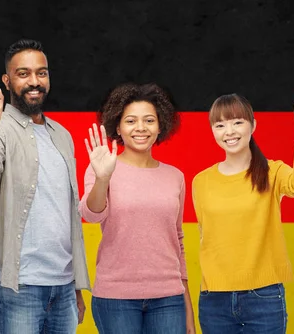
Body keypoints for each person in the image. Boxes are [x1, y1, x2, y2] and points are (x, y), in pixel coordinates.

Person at [0, 39, 91, 334]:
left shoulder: (63, 136)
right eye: (23, 73)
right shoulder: (0, 128)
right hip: (19, 285)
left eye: (41, 73)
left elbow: (66, 215)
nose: (34, 81)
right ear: (7, 80)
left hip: (64, 287)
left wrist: (77, 286)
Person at [192, 86, 294, 334]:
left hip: (264, 297)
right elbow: (207, 236)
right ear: (212, 130)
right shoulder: (201, 181)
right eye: (220, 125)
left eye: (237, 122)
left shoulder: (271, 171)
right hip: (214, 299)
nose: (229, 132)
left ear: (253, 126)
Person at [78, 82, 196, 334]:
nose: (140, 128)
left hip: (168, 298)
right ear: (117, 127)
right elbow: (91, 214)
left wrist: (187, 304)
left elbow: (178, 240)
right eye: (131, 121)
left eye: (149, 120)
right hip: (116, 297)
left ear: (160, 124)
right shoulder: (102, 168)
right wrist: (102, 178)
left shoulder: (175, 176)